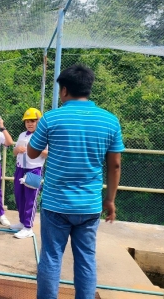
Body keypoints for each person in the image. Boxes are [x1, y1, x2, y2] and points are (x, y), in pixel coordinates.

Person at [27, 65, 123, 299]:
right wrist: (109, 200)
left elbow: (31, 153)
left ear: (64, 91)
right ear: (88, 89)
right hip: (89, 206)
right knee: (86, 258)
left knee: (51, 257)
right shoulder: (110, 121)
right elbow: (115, 165)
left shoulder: (51, 118)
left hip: (55, 204)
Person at [11, 108, 47, 239]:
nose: (30, 123)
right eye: (27, 121)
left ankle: (28, 227)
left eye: (33, 121)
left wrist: (34, 148)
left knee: (30, 198)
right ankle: (22, 222)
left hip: (34, 169)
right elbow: (14, 152)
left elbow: (48, 153)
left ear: (38, 121)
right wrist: (17, 149)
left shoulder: (43, 135)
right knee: (19, 196)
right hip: (20, 168)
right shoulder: (22, 135)